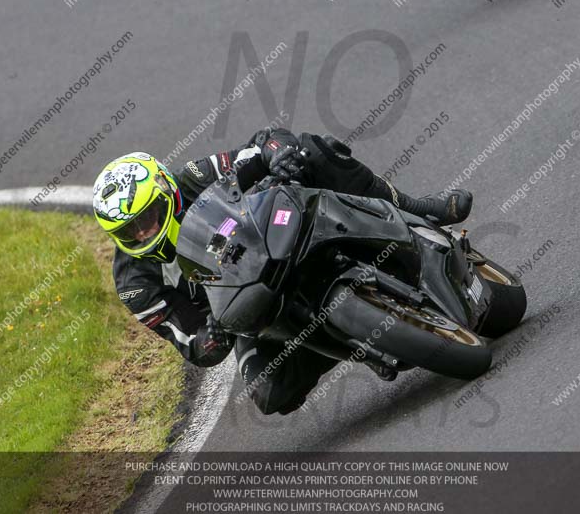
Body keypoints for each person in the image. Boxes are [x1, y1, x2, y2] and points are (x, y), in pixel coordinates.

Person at [92, 128, 473, 415]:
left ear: (165, 191)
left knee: (313, 150)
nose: (144, 233)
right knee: (269, 392)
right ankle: (356, 342)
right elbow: (189, 341)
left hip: (276, 236)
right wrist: (209, 338)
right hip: (248, 308)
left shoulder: (191, 176)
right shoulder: (136, 285)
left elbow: (261, 143)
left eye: (148, 218)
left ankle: (414, 206)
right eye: (131, 231)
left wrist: (277, 155)